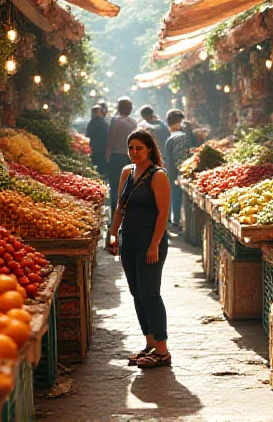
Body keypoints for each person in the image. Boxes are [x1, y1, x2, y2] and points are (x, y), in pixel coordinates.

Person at [106, 129, 172, 369]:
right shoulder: (126, 172)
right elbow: (120, 207)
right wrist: (112, 234)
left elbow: (163, 213)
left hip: (149, 241)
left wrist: (154, 244)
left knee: (150, 293)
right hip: (129, 240)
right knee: (136, 293)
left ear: (150, 150)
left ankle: (162, 351)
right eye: (131, 148)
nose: (134, 152)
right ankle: (150, 344)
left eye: (139, 148)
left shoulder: (158, 176)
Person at [106, 97, 137, 216]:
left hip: (116, 157)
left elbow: (111, 140)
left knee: (115, 186)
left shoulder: (116, 121)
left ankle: (116, 213)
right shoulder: (133, 122)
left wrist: (107, 157)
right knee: (128, 185)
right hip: (130, 157)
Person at [164, 109, 191, 229]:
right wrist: (183, 172)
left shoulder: (170, 137)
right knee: (177, 196)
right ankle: (177, 221)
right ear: (179, 122)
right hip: (177, 172)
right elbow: (180, 158)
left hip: (170, 171)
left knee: (172, 195)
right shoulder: (181, 137)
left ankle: (172, 220)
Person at [85, 105, 109, 177]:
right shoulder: (105, 122)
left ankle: (98, 177)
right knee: (103, 167)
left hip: (95, 148)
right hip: (104, 148)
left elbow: (87, 135)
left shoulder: (92, 122)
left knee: (96, 166)